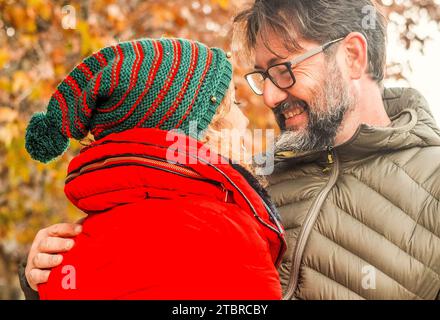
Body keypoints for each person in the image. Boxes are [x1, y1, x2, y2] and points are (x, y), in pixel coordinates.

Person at [20, 0, 440, 300]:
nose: (270, 97)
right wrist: (47, 271)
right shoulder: (243, 176)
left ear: (351, 56)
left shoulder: (433, 182)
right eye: (263, 75)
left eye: (285, 69)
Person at [20, 37, 286, 299]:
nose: (243, 120)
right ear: (201, 134)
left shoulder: (65, 255)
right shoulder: (230, 236)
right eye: (233, 106)